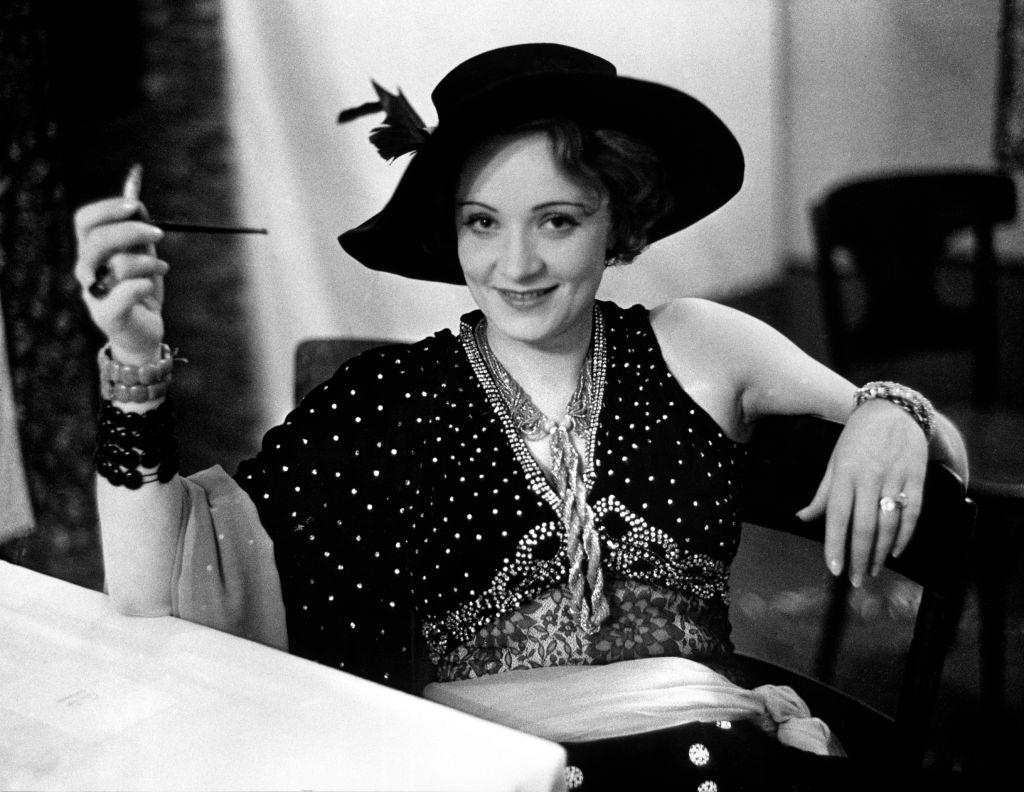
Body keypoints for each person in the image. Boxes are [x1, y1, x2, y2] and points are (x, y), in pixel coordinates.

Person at [74, 44, 967, 790]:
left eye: (557, 220)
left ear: (621, 219)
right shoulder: (390, 398)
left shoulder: (700, 344)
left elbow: (946, 460)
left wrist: (893, 411)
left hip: (707, 764)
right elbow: (156, 588)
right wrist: (132, 362)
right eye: (482, 223)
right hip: (489, 771)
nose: (517, 264)